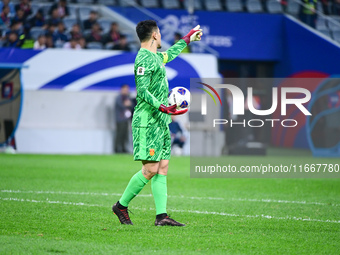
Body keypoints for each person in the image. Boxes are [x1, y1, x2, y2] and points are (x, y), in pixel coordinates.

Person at [112, 20, 202, 226]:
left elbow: (170, 54)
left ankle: (161, 216)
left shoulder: (155, 57)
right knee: (151, 169)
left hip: (160, 121)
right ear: (154, 35)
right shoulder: (143, 59)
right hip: (147, 121)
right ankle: (121, 206)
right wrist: (162, 107)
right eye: (160, 33)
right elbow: (142, 91)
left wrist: (187, 38)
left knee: (163, 167)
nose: (161, 37)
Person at [114, 84, 134, 153]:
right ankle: (116, 149)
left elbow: (131, 105)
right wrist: (126, 104)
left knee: (125, 135)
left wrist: (128, 104)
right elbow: (121, 106)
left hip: (126, 119)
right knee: (119, 134)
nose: (126, 91)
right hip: (120, 119)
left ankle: (123, 148)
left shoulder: (128, 97)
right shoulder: (119, 98)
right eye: (125, 89)